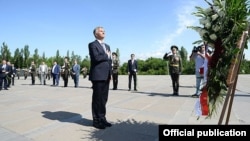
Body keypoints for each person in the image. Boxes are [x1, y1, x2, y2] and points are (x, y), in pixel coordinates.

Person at [88, 26, 112, 129]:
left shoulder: (107, 46)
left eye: (104, 31)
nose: (104, 32)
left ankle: (102, 118)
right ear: (96, 33)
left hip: (106, 75)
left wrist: (110, 73)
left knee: (104, 98)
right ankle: (96, 120)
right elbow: (96, 58)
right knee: (97, 99)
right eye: (101, 31)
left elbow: (109, 61)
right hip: (98, 76)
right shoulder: (92, 45)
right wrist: (106, 55)